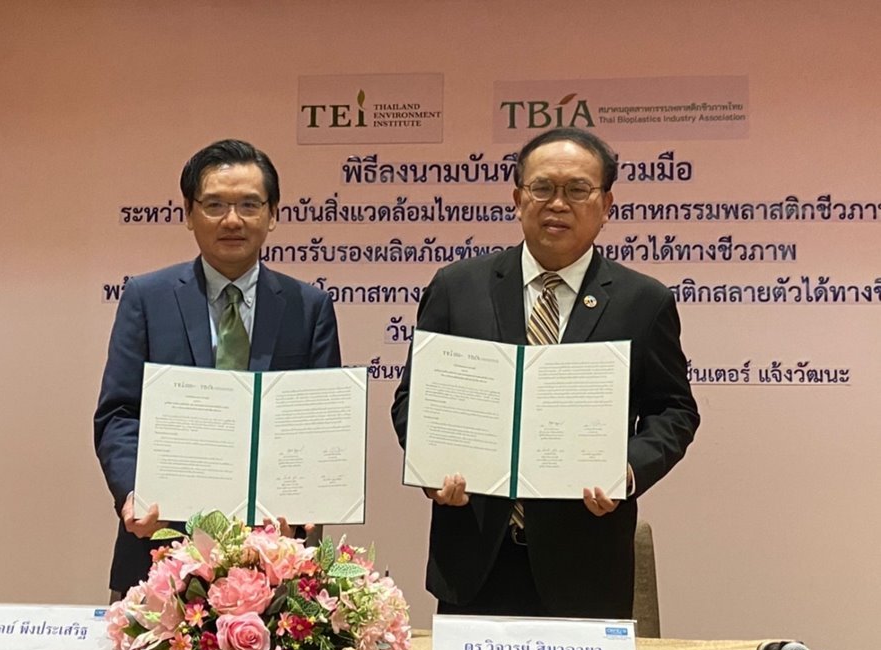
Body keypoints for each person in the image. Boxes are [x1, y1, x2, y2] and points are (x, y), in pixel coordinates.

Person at [391, 127, 699, 619]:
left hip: (586, 562)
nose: (558, 203)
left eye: (577, 189)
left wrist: (628, 470)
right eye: (542, 188)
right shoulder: (457, 287)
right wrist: (432, 463)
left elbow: (674, 411)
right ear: (517, 198)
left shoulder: (642, 302)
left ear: (606, 204)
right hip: (474, 561)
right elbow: (414, 398)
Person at [95, 139, 341, 597]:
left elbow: (320, 425)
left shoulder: (309, 308)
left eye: (249, 204)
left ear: (273, 214)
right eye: (214, 205)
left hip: (277, 552)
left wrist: (313, 500)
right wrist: (132, 493)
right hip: (161, 546)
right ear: (188, 214)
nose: (232, 220)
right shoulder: (147, 299)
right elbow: (120, 413)